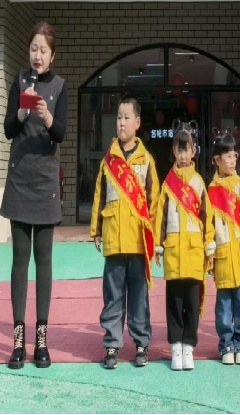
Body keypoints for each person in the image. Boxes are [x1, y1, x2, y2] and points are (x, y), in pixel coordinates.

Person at [0, 22, 67, 369]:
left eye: (43, 50)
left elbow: (61, 133)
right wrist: (22, 113)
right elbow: (8, 129)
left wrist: (48, 116)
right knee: (19, 261)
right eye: (33, 49)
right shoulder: (19, 80)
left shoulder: (60, 86)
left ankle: (41, 340)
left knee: (44, 261)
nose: (37, 55)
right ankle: (18, 342)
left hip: (45, 184)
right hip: (20, 181)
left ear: (53, 56)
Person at [90, 95, 160, 370]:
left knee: (139, 297)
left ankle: (141, 342)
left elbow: (154, 202)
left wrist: (154, 238)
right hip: (114, 239)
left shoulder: (147, 160)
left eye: (126, 117)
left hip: (138, 242)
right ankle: (112, 344)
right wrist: (96, 228)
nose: (121, 122)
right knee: (113, 296)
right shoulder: (108, 161)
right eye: (118, 117)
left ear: (137, 123)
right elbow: (99, 195)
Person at [154, 121, 215, 371]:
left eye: (186, 150)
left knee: (191, 301)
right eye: (178, 150)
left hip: (193, 252)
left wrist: (209, 243)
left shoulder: (199, 182)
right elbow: (160, 216)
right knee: (174, 303)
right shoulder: (167, 183)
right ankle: (175, 346)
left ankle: (189, 345)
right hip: (173, 252)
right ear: (174, 152)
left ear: (193, 152)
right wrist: (158, 244)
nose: (182, 155)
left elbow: (206, 216)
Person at [208, 131, 240, 366]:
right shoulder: (210, 191)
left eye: (234, 155)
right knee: (223, 305)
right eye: (227, 156)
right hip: (221, 256)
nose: (232, 160)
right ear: (216, 160)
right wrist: (209, 254)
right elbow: (208, 226)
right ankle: (226, 343)